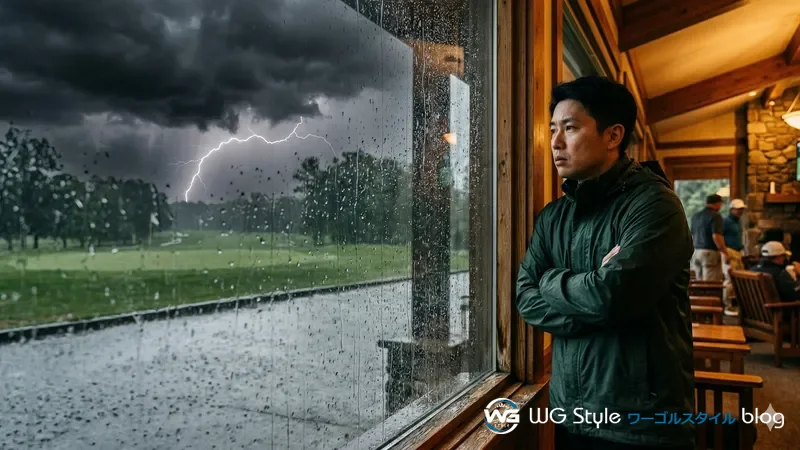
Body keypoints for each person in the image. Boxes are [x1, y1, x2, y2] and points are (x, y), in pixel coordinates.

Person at [516, 75, 695, 450]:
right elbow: (524, 297)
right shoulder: (553, 217)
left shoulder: (654, 206)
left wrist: (550, 280)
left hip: (640, 422)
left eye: (570, 128)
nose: (555, 142)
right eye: (552, 129)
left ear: (613, 136)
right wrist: (594, 301)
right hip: (569, 412)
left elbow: (609, 297)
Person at [689, 195, 727, 281]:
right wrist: (724, 252)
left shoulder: (696, 216)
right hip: (710, 252)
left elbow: (692, 235)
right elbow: (716, 236)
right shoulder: (716, 216)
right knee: (711, 283)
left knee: (699, 282)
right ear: (717, 203)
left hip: (696, 252)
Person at [721, 199, 747, 316]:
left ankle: (736, 304)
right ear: (731, 209)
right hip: (729, 251)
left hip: (738, 252)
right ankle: (727, 305)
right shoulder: (725, 221)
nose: (740, 211)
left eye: (742, 209)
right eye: (738, 209)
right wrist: (725, 253)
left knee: (738, 280)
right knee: (729, 280)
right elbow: (719, 236)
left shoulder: (738, 221)